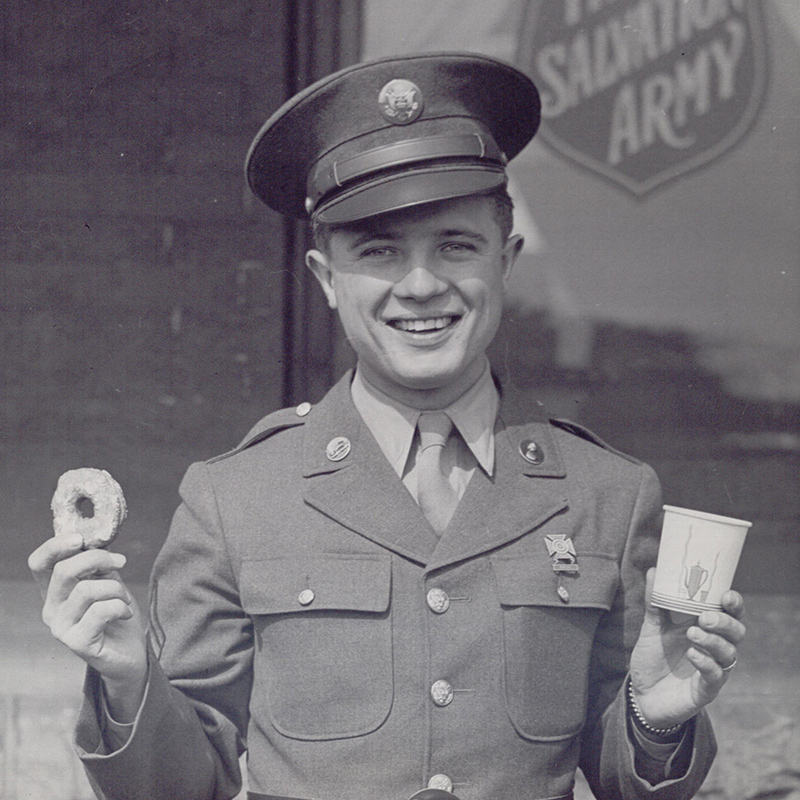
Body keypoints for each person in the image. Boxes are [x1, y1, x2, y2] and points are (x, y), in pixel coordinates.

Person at [29, 52, 746, 800]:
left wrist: (656, 722)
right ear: (325, 279)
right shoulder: (235, 498)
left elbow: (621, 774)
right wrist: (125, 682)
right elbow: (183, 786)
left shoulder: (608, 495)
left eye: (456, 246)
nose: (421, 284)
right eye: (378, 251)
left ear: (506, 260)